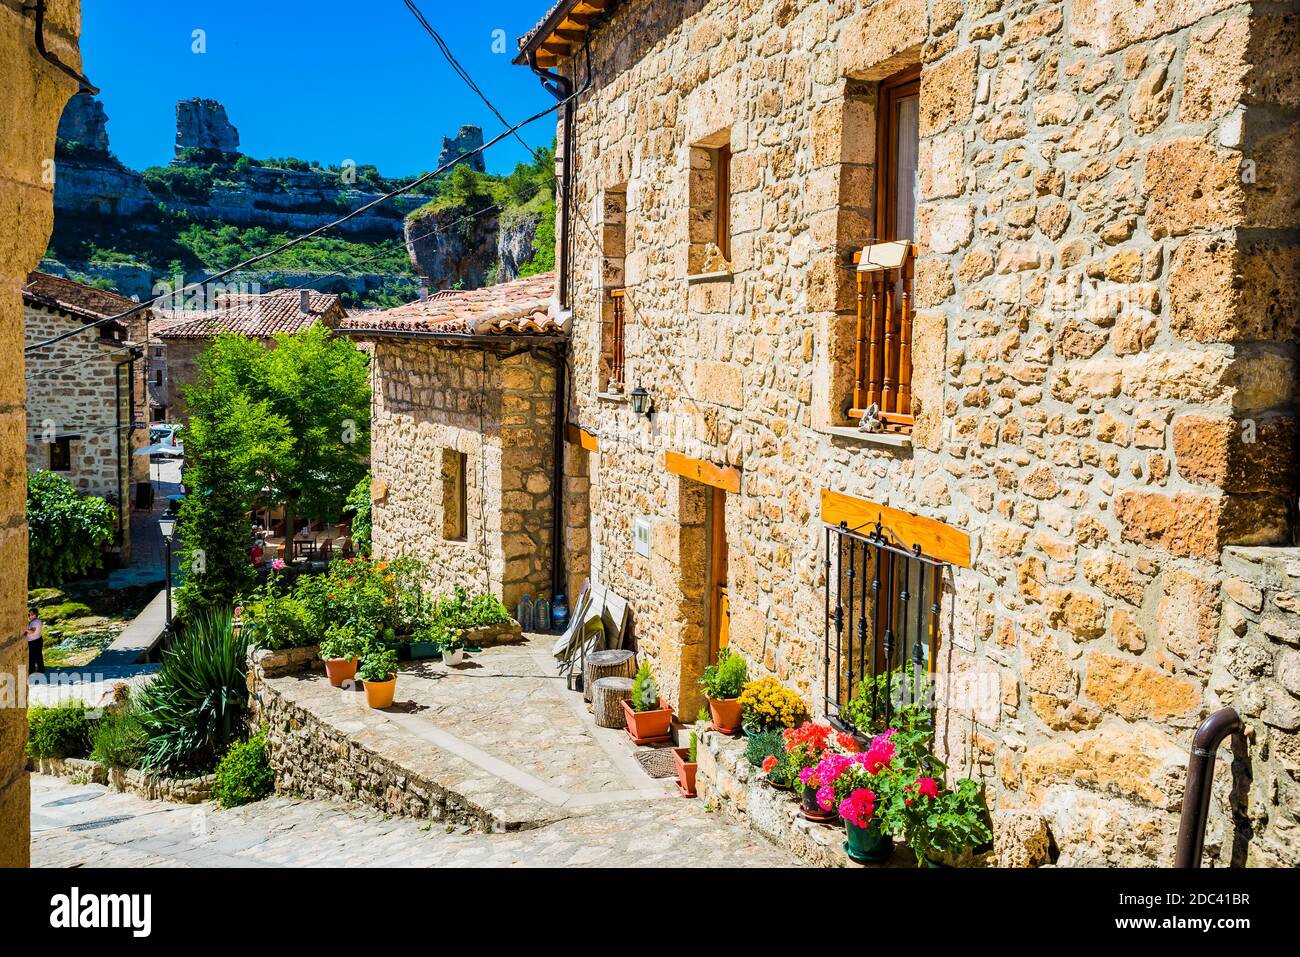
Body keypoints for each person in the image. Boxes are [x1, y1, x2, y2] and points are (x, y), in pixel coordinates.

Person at [27, 607, 44, 676]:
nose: (28, 616)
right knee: (38, 656)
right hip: (38, 640)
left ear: (34, 615)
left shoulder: (34, 623)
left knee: (32, 657)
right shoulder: (38, 621)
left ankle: (31, 671)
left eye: (29, 614)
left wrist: (24, 629)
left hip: (34, 642)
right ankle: (41, 670)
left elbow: (32, 631)